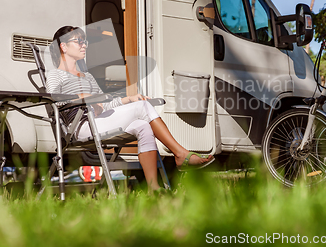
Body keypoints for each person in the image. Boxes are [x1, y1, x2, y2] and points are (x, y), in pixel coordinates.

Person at [46, 26, 214, 191]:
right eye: (79, 41)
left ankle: (153, 188)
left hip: (98, 120)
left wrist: (129, 99)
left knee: (143, 126)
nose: (84, 45)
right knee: (142, 107)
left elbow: (104, 104)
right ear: (63, 46)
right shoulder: (56, 74)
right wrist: (82, 97)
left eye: (85, 41)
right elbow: (54, 101)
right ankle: (180, 154)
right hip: (81, 126)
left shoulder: (87, 76)